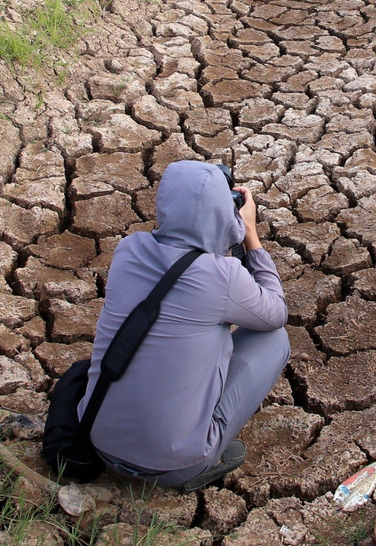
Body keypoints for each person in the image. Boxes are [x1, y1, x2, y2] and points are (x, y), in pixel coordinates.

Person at [80, 160, 290, 490]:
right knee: (274, 339)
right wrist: (249, 233)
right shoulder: (223, 276)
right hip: (173, 467)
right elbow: (276, 312)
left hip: (98, 440)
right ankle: (204, 459)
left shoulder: (128, 250)